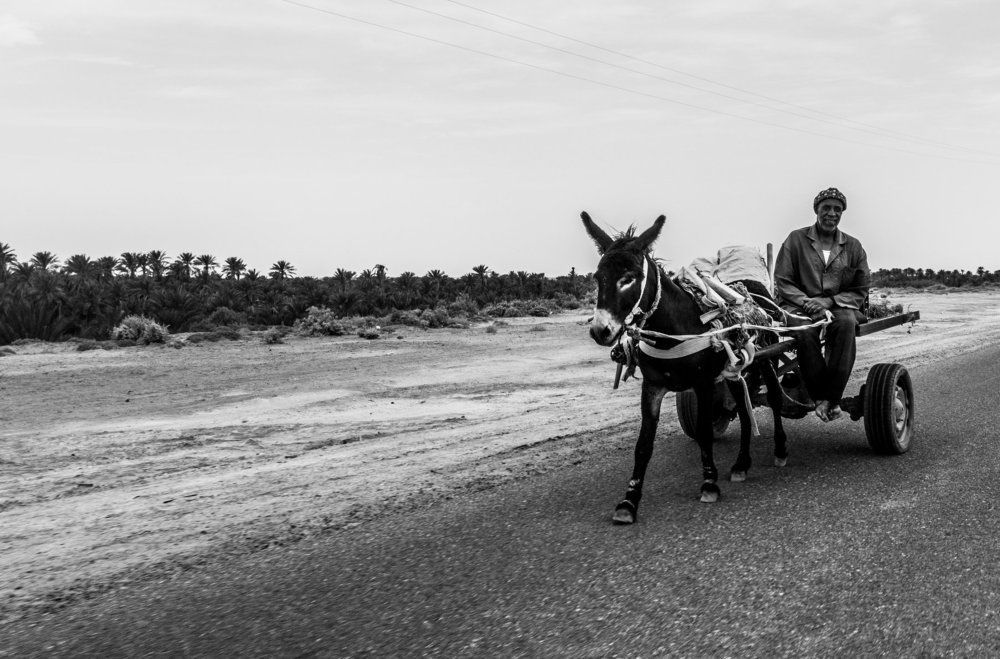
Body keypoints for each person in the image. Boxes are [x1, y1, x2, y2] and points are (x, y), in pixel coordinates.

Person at [774, 187, 870, 421]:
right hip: (798, 304)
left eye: (837, 209)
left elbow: (860, 289)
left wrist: (829, 302)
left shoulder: (853, 246)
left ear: (842, 213)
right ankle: (819, 397)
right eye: (826, 208)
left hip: (838, 305)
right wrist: (807, 303)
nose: (831, 213)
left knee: (845, 323)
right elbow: (783, 281)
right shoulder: (796, 239)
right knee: (805, 331)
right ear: (816, 210)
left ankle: (832, 398)